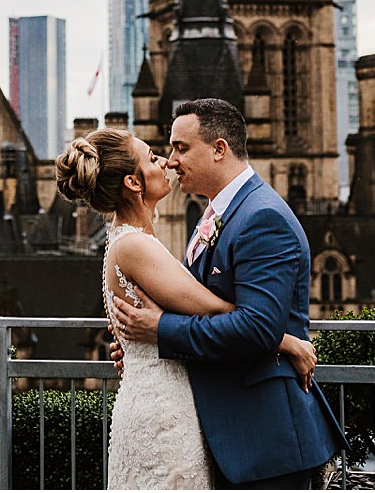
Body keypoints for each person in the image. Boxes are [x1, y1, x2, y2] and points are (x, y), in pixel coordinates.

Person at [55, 127, 318, 489]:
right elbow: (215, 311)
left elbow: (179, 316)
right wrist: (286, 341)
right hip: (163, 417)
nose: (166, 161)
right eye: (152, 158)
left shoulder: (135, 241)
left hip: (168, 405)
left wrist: (147, 339)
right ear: (133, 182)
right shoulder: (136, 246)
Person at [112, 98, 345, 489]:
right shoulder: (217, 213)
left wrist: (161, 331)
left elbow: (257, 329)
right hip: (230, 436)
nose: (170, 160)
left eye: (181, 148)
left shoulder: (262, 217)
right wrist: (145, 346)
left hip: (265, 440)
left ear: (219, 149)